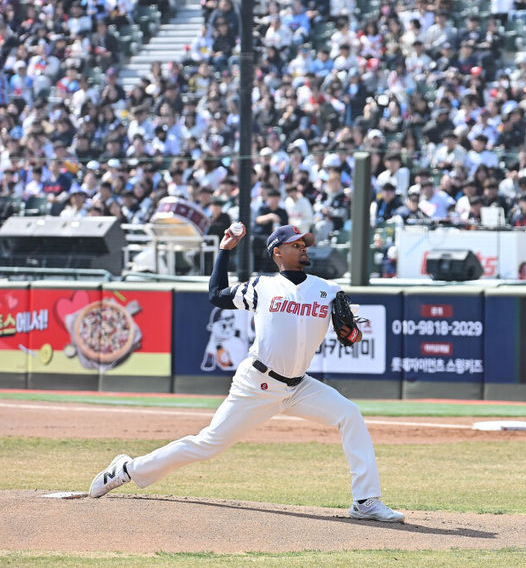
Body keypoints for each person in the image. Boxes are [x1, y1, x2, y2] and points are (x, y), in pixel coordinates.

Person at [89, 224, 405, 522]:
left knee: (349, 414)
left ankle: (365, 502)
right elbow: (216, 294)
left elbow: (352, 334)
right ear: (277, 252)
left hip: (300, 387)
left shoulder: (328, 291)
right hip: (257, 384)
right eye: (296, 244)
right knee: (207, 444)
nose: (303, 248)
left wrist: (352, 333)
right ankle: (127, 470)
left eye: (304, 244)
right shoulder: (261, 286)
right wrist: (225, 250)